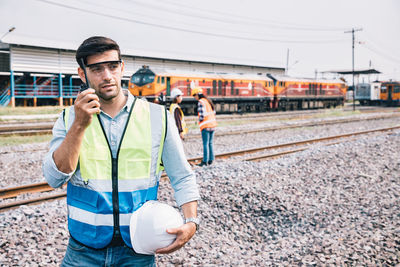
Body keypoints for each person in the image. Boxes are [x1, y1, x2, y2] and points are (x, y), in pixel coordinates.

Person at [42, 36, 200, 267]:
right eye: (96, 69)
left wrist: (192, 221)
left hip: (138, 251)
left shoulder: (158, 117)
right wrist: (78, 125)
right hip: (83, 251)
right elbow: (54, 178)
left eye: (113, 66)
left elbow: (182, 175)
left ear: (122, 67)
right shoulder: (68, 119)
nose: (107, 76)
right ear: (82, 73)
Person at [191, 87, 217, 167]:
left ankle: (205, 161)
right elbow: (214, 112)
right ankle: (211, 159)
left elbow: (201, 115)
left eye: (194, 96)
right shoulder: (208, 101)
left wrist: (199, 121)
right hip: (212, 125)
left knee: (205, 143)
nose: (195, 98)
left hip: (205, 125)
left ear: (197, 95)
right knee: (210, 143)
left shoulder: (200, 102)